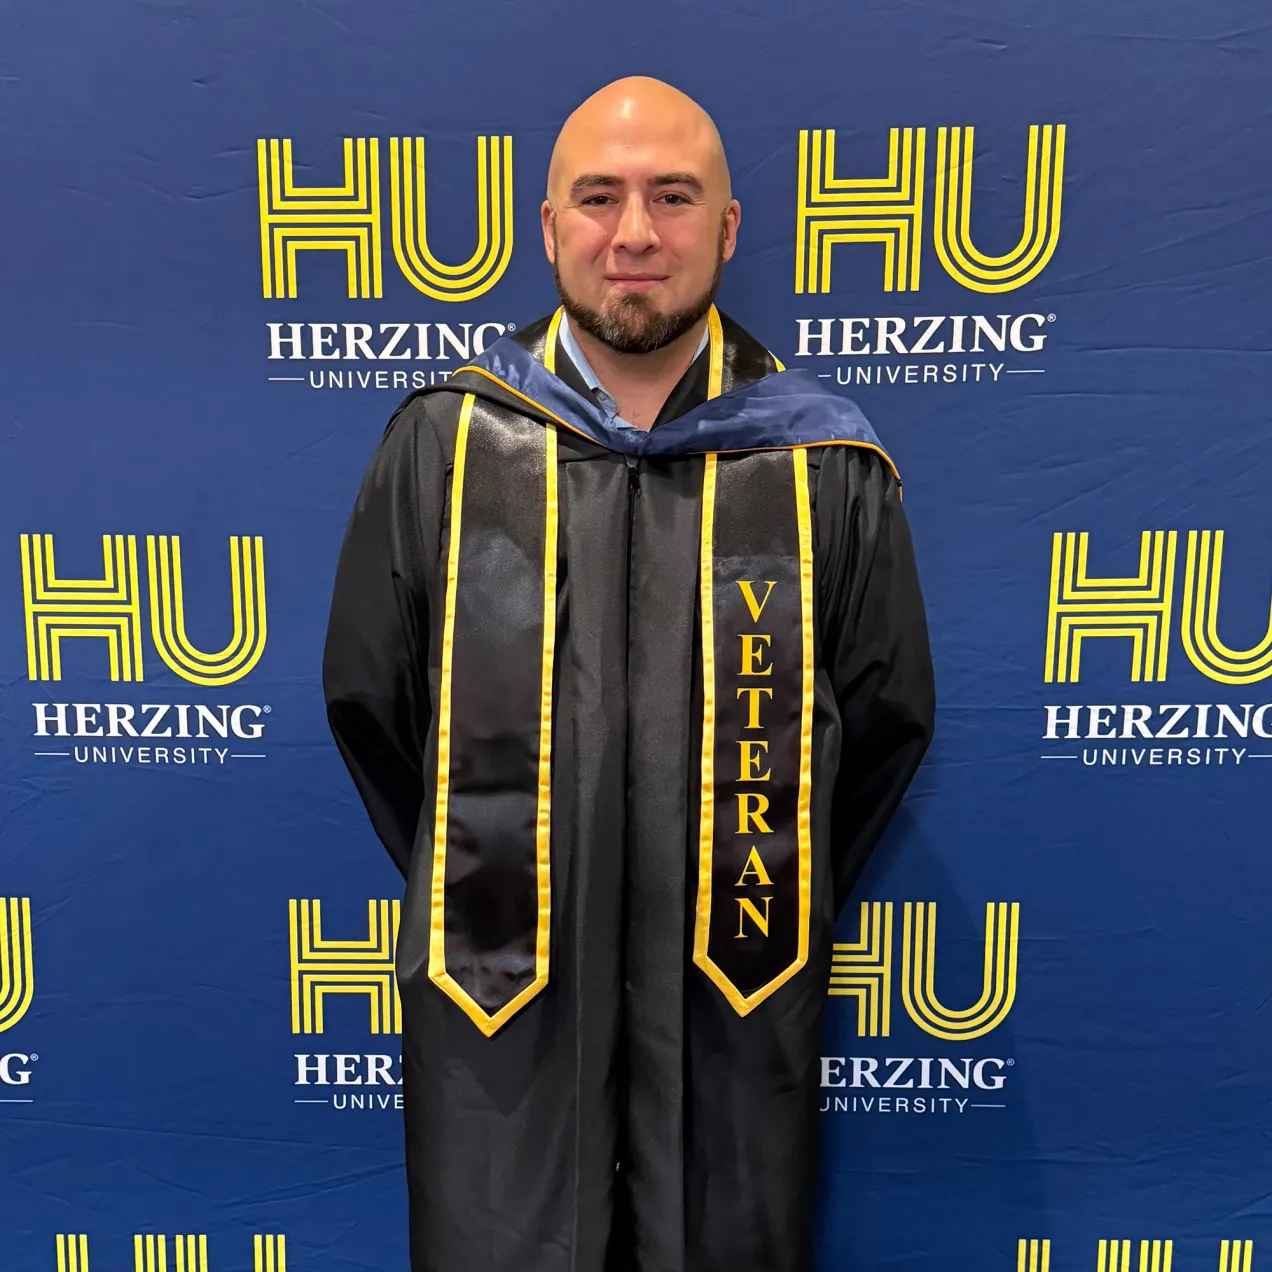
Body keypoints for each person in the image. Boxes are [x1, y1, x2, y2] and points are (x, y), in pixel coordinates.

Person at [323, 75, 934, 1272]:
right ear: (548, 228)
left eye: (673, 196)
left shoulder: (822, 463)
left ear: (732, 227)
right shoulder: (447, 446)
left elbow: (880, 727)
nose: (636, 233)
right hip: (500, 1010)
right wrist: (502, 861)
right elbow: (377, 709)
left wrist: (739, 881)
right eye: (598, 198)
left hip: (732, 1005)